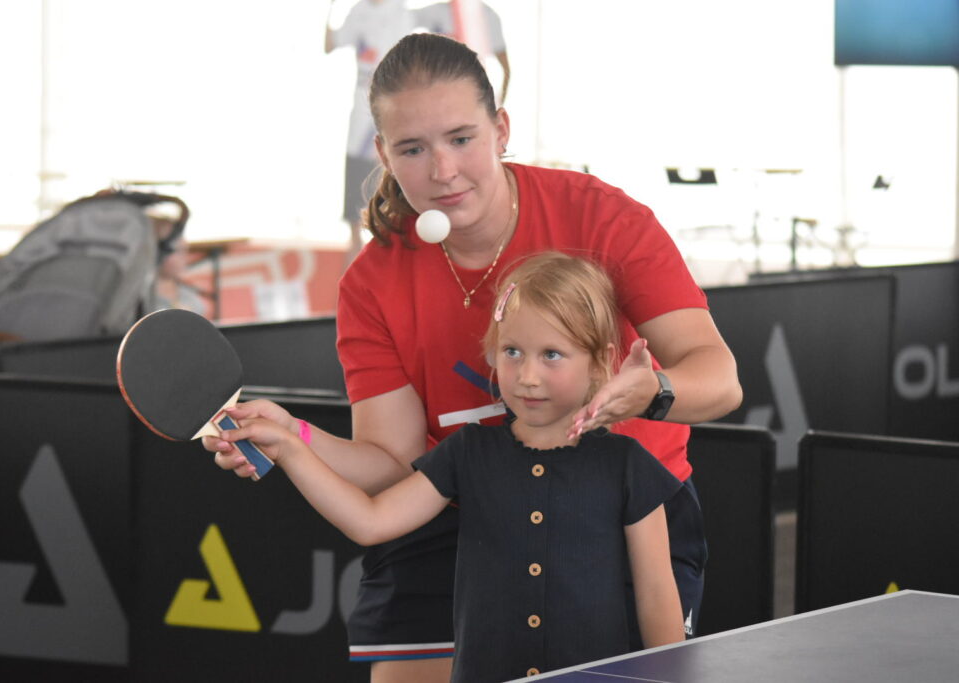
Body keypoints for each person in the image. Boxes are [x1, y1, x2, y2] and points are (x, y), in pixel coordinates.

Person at [208, 32, 742, 683]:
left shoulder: (604, 219)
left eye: (461, 138)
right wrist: (291, 436)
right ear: (384, 153)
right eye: (413, 148)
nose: (442, 171)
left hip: (618, 514)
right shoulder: (372, 283)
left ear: (501, 129)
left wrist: (650, 393)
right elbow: (393, 464)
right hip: (456, 510)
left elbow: (720, 379)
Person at [217, 252, 686, 682]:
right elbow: (369, 521)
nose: (527, 376)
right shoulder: (466, 452)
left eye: (552, 355)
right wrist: (291, 448)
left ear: (600, 361)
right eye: (513, 352)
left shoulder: (629, 466)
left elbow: (656, 593)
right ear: (492, 353)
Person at [325, 0, 417, 267]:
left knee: (394, 172)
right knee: (356, 176)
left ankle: (392, 246)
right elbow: (330, 44)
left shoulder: (401, 10)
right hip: (362, 107)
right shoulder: (357, 11)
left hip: (394, 105)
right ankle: (355, 251)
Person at [412, 1, 510, 104]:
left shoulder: (487, 15)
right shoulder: (434, 12)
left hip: (474, 97)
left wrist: (498, 106)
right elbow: (402, 19)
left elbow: (505, 68)